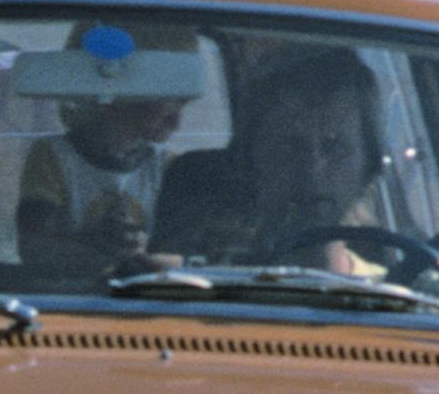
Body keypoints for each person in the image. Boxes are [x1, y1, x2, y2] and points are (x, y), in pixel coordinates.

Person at [155, 46, 382, 271]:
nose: (313, 169)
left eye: (335, 148)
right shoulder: (194, 286)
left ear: (368, 167)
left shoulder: (393, 291)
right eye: (290, 147)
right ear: (249, 161)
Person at [15, 84, 190, 276]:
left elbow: (185, 258)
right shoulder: (53, 156)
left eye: (182, 106)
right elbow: (33, 248)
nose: (176, 123)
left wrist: (139, 251)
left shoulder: (168, 166)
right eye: (170, 105)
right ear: (119, 98)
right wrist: (89, 242)